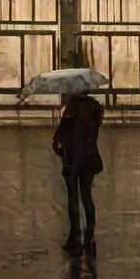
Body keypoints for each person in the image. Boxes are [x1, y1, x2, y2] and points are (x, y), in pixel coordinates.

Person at [52, 88, 104, 253]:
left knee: (73, 199)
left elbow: (59, 136)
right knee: (87, 196)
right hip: (89, 157)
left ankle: (75, 237)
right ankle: (89, 236)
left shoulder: (72, 106)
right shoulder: (96, 107)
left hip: (73, 158)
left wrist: (60, 151)